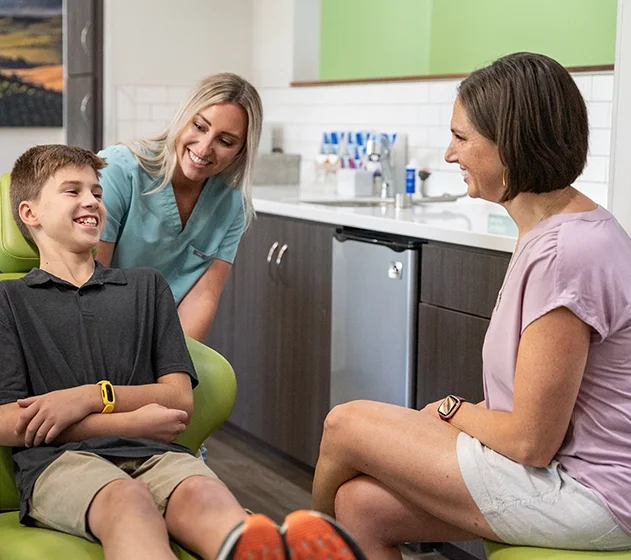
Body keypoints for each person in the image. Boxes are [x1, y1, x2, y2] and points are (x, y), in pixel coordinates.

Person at [311, 52, 631, 557]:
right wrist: (455, 415)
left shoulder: (567, 254)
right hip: (561, 468)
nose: (448, 154)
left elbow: (530, 442)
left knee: (343, 424)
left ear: (511, 144)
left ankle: (298, 542)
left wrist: (454, 410)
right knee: (362, 505)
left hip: (593, 492)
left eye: (461, 138)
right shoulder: (558, 231)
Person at [0, 144, 366, 560]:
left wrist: (91, 397)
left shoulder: (145, 288)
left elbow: (177, 400)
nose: (91, 201)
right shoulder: (8, 301)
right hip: (60, 463)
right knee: (128, 502)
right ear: (30, 214)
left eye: (97, 193)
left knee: (205, 494)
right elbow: (7, 421)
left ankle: (255, 547)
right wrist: (134, 421)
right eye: (72, 191)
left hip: (158, 454)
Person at [96, 72, 263, 342]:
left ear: (241, 151)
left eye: (225, 141)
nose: (205, 147)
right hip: (100, 330)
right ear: (183, 118)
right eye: (199, 126)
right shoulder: (118, 170)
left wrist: (174, 368)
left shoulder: (232, 207)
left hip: (164, 341)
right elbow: (91, 279)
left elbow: (202, 298)